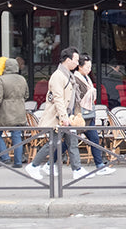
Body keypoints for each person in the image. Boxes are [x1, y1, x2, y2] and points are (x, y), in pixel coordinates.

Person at [25, 47, 89, 182]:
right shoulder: (58, 76)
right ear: (68, 60)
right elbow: (58, 98)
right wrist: (64, 118)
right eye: (76, 60)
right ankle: (34, 165)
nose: (77, 63)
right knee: (53, 143)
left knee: (71, 142)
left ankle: (76, 169)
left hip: (67, 116)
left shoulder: (67, 74)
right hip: (60, 118)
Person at [74, 54, 114, 175]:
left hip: (89, 113)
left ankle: (99, 165)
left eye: (90, 66)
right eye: (87, 67)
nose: (89, 69)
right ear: (79, 66)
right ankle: (50, 163)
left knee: (94, 139)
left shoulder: (87, 78)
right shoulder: (76, 79)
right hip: (80, 114)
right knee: (69, 142)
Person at [0, 57, 28, 168]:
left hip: (4, 112)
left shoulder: (1, 79)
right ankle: (18, 162)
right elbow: (27, 95)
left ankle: (5, 157)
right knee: (17, 136)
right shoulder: (22, 79)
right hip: (19, 111)